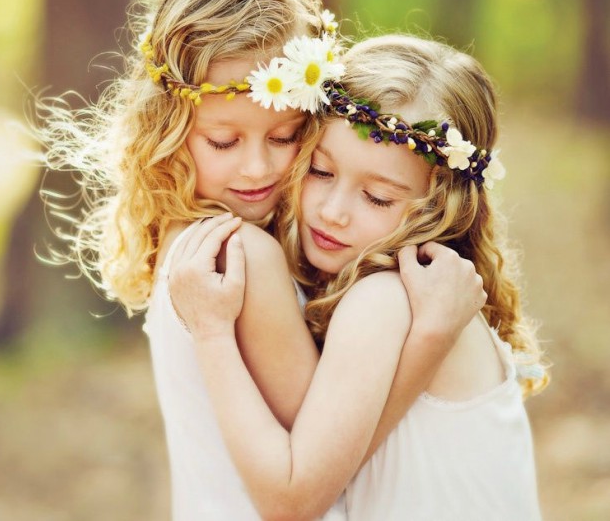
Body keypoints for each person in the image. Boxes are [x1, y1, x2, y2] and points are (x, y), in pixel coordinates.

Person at [36, 0, 486, 520]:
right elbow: (325, 471)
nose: (256, 169)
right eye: (224, 141)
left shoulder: (190, 231)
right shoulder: (240, 255)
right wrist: (431, 338)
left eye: (287, 136)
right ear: (168, 130)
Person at [169, 35, 549, 520]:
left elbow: (291, 502)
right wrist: (429, 338)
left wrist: (212, 330)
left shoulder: (385, 299)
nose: (333, 212)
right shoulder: (416, 302)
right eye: (321, 172)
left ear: (442, 206)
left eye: (377, 198)